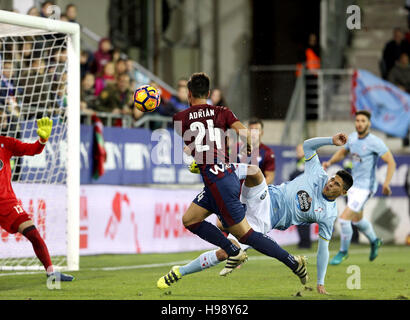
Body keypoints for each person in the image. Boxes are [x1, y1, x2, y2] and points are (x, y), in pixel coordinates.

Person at [158, 133, 353, 294]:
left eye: (336, 184)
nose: (330, 183)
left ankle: (179, 272)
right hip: (266, 196)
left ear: (343, 192)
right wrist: (331, 141)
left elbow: (323, 249)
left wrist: (320, 282)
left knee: (226, 252)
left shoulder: (328, 214)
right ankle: (218, 169)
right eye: (332, 179)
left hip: (265, 220)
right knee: (254, 171)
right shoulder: (317, 175)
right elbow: (308, 146)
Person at [169, 72, 308, 286]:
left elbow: (191, 146)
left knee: (247, 235)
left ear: (188, 94)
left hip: (219, 182)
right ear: (208, 93)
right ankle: (233, 249)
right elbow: (247, 135)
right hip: (223, 176)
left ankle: (292, 262)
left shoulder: (179, 119)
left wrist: (196, 158)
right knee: (190, 219)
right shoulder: (222, 112)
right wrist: (250, 147)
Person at [0, 117, 74, 281]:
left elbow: (33, 150)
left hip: (6, 203)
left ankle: (50, 273)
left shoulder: (5, 143)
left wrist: (42, 140)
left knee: (33, 233)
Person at [323, 110, 396, 265]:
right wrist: (329, 162)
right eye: (357, 120)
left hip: (366, 188)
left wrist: (387, 183)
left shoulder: (375, 142)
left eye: (363, 121)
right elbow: (343, 152)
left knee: (344, 219)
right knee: (357, 220)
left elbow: (391, 162)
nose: (359, 123)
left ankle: (343, 252)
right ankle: (375, 240)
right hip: (354, 187)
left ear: (368, 123)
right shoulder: (353, 138)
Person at [289, 143, 311, 249]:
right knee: (299, 219)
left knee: (303, 219)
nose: (298, 152)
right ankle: (303, 241)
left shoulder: (307, 161)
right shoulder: (300, 162)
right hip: (300, 192)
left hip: (305, 193)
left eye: (300, 150)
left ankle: (305, 243)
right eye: (297, 150)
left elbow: (298, 175)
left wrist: (292, 176)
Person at [245, 118, 275, 184]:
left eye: (256, 130)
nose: (253, 133)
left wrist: (258, 190)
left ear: (262, 133)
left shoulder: (268, 152)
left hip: (257, 191)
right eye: (251, 130)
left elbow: (270, 177)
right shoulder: (237, 149)